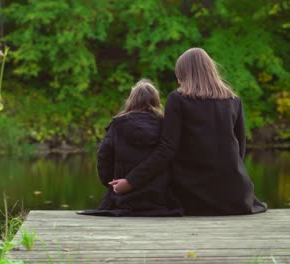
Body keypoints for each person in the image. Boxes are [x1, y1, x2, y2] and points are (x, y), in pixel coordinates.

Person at [110, 48, 267, 215]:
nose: (178, 82)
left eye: (179, 75)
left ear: (184, 75)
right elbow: (240, 150)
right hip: (237, 196)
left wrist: (131, 181)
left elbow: (166, 150)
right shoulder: (234, 101)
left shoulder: (177, 99)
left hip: (194, 196)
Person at [79, 79, 182, 216]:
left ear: (131, 100)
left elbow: (103, 158)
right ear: (156, 102)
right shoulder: (165, 127)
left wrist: (113, 185)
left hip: (124, 200)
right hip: (158, 200)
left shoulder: (118, 125)